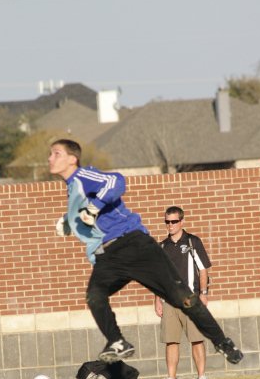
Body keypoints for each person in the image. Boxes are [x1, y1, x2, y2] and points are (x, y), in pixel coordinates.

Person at [49, 138, 243, 367]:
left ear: (73, 159)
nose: (50, 158)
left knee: (184, 298)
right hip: (110, 255)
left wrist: (94, 207)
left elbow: (116, 182)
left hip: (134, 243)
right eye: (51, 154)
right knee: (95, 296)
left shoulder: (82, 176)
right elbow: (87, 219)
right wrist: (69, 222)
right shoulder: (72, 189)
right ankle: (117, 342)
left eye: (56, 153)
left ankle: (223, 342)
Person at [155, 206, 213, 379]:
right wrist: (157, 299)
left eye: (173, 221)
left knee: (196, 339)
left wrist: (203, 293)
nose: (170, 225)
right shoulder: (162, 246)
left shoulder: (192, 242)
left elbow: (203, 269)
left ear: (181, 221)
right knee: (171, 340)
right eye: (167, 222)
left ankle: (202, 377)